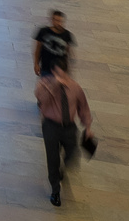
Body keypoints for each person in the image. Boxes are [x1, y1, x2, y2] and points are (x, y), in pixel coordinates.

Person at [34, 66, 93, 207]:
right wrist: (54, 86)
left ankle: (62, 169)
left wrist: (88, 127)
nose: (61, 77)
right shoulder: (44, 86)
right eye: (57, 73)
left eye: (63, 74)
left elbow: (83, 107)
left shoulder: (75, 87)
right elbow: (41, 102)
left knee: (72, 154)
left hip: (69, 127)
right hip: (51, 126)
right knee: (52, 158)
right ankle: (55, 191)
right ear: (53, 73)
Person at [34, 11, 75, 77]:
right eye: (57, 20)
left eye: (60, 21)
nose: (59, 23)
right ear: (52, 20)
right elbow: (38, 49)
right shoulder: (44, 31)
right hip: (46, 68)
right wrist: (36, 64)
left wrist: (68, 69)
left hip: (60, 70)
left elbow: (67, 52)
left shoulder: (67, 35)